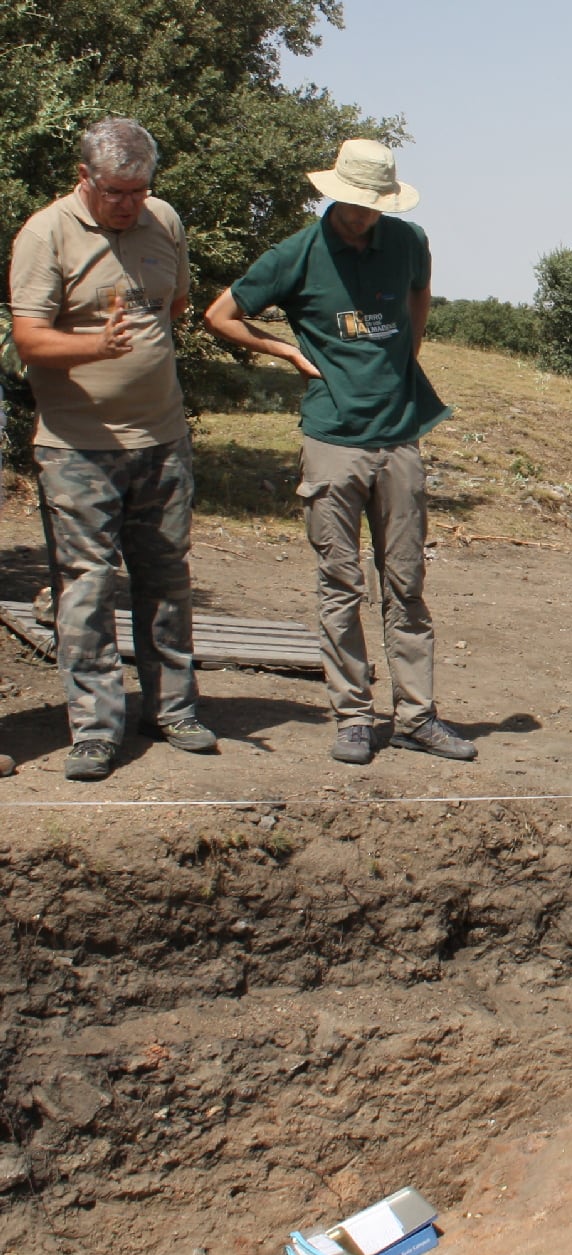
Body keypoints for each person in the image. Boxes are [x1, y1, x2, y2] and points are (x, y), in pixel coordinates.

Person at [204, 139, 474, 766]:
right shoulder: (296, 253)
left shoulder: (408, 242)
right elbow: (221, 314)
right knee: (340, 584)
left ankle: (416, 716)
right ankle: (352, 716)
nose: (363, 215)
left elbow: (419, 292)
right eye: (355, 204)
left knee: (406, 585)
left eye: (374, 205)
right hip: (332, 442)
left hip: (399, 437)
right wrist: (289, 354)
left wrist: (409, 352)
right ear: (334, 194)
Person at [10, 117, 217, 781]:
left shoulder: (165, 222)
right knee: (87, 586)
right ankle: (96, 728)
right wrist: (98, 348)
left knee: (165, 577)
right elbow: (30, 340)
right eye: (115, 192)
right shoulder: (47, 233)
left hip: (161, 439)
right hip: (78, 447)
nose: (129, 203)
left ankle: (174, 708)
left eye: (140, 188)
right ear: (84, 179)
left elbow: (175, 304)